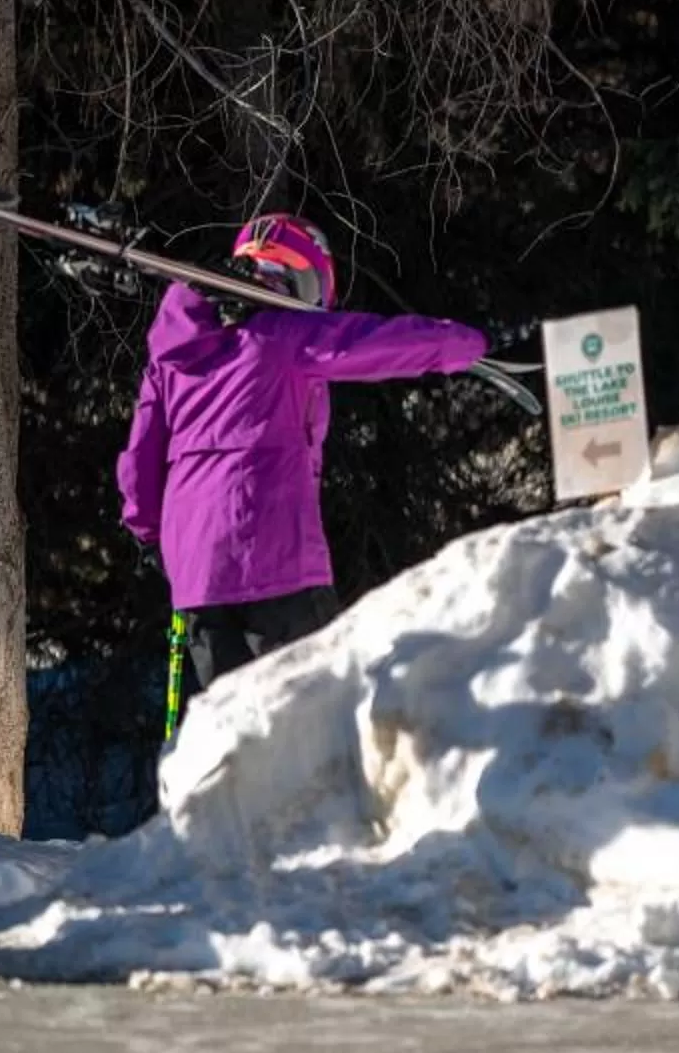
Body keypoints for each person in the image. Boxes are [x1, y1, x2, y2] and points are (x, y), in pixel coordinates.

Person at [117, 212, 488, 703]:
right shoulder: (284, 336)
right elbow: (376, 343)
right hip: (277, 560)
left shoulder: (172, 357)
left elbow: (140, 459)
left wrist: (150, 535)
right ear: (296, 276)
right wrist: (467, 344)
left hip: (199, 578)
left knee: (236, 727)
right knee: (313, 721)